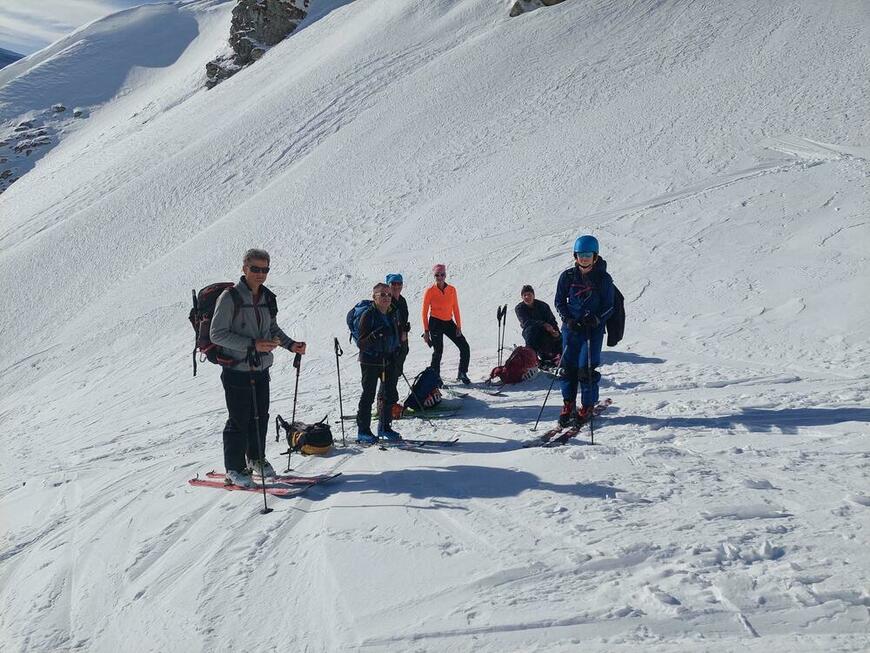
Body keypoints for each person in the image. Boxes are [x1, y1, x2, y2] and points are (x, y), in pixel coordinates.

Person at [210, 249, 306, 487]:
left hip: (261, 369)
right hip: (236, 370)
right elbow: (217, 334)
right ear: (244, 269)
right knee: (239, 419)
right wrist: (251, 344)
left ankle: (256, 458)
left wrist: (290, 344)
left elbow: (272, 329)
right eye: (256, 269)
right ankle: (234, 467)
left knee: (260, 417)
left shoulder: (268, 298)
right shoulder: (229, 297)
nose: (261, 274)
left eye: (265, 270)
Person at [554, 235, 615, 427]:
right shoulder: (567, 277)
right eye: (581, 254)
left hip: (592, 332)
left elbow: (609, 305)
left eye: (588, 254)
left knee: (585, 370)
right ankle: (568, 404)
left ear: (595, 256)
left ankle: (587, 405)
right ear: (575, 255)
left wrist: (596, 319)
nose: (585, 258)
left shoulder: (603, 279)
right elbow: (559, 301)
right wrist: (567, 319)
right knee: (567, 370)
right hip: (571, 330)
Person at [356, 282, 402, 444]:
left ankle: (384, 427)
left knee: (388, 394)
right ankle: (363, 431)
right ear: (374, 297)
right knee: (368, 395)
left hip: (388, 360)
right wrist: (375, 335)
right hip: (370, 361)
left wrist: (396, 351)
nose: (386, 298)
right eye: (382, 294)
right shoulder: (368, 315)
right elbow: (361, 343)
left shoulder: (392, 313)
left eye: (388, 295)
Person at [422, 263, 471, 384]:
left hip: (449, 322)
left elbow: (456, 308)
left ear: (445, 275)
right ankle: (435, 377)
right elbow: (424, 312)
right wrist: (426, 331)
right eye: (437, 275)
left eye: (442, 274)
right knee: (438, 351)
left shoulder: (452, 290)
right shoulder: (430, 291)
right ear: (434, 276)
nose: (440, 277)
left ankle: (462, 373)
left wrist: (458, 326)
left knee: (464, 346)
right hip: (435, 322)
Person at [514, 285, 561, 364]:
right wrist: (543, 324)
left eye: (529, 294)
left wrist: (555, 332)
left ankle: (556, 357)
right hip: (531, 333)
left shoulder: (543, 306)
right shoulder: (519, 308)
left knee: (561, 338)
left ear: (533, 295)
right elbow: (526, 322)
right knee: (531, 330)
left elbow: (552, 320)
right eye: (524, 295)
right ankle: (531, 358)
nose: (527, 297)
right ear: (522, 297)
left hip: (546, 331)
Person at [386, 273, 410, 377]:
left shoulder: (402, 300)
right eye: (393, 283)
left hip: (402, 337)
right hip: (391, 340)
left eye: (399, 283)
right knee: (389, 368)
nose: (396, 286)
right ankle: (383, 393)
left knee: (397, 368)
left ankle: (389, 392)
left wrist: (404, 330)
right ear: (388, 285)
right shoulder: (386, 301)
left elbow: (404, 318)